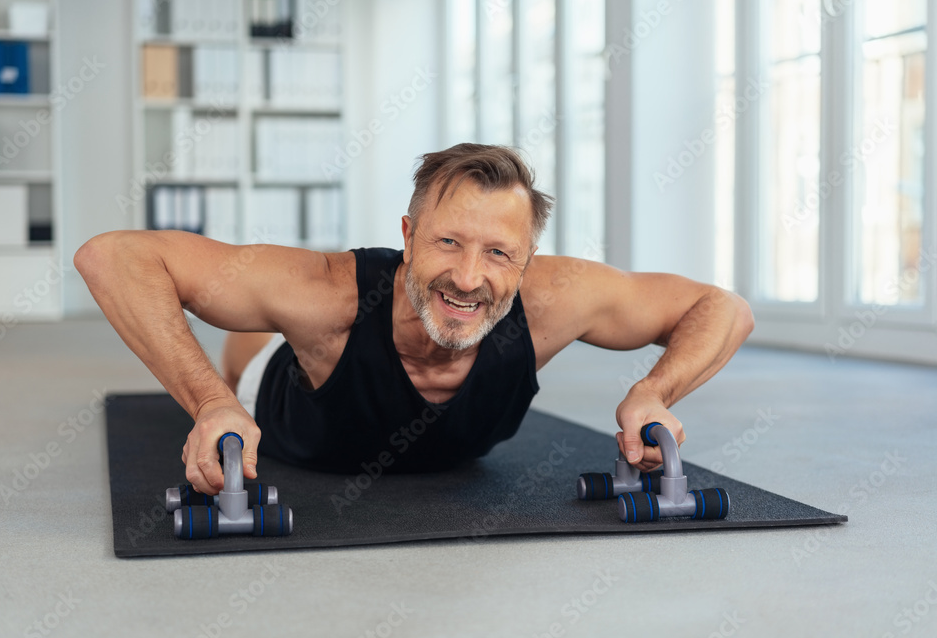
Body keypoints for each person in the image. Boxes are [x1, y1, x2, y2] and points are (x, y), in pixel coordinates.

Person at [75, 143, 753, 495]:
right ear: (407, 234)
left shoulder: (554, 297)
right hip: (288, 393)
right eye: (447, 241)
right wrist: (212, 403)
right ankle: (259, 345)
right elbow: (112, 257)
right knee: (253, 344)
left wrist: (654, 391)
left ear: (527, 260)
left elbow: (722, 307)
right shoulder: (329, 291)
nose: (469, 276)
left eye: (498, 253)